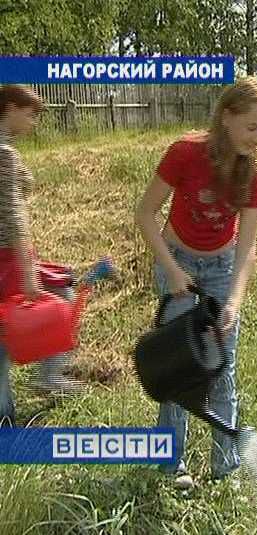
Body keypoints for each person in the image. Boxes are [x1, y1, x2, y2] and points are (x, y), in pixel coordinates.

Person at [135, 77, 257, 490]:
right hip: (177, 261)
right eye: (252, 127)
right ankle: (170, 463)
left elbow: (247, 248)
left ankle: (225, 468)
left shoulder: (255, 176)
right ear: (227, 118)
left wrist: (232, 301)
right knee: (180, 367)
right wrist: (173, 272)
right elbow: (144, 214)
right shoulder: (185, 154)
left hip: (220, 269)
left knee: (222, 367)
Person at [0, 85, 82, 427]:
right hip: (8, 257)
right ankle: (50, 375)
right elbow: (14, 213)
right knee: (62, 296)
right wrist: (29, 272)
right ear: (9, 108)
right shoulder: (4, 155)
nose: (34, 121)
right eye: (31, 113)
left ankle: (6, 416)